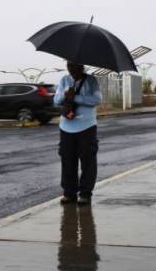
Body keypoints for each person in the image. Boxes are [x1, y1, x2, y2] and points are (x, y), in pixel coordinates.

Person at [54, 62, 102, 205]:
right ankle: (69, 193)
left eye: (75, 66)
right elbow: (56, 100)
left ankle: (85, 193)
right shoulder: (64, 80)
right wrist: (65, 94)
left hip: (87, 126)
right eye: (69, 66)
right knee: (67, 160)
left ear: (81, 67)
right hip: (66, 127)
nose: (71, 69)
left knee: (88, 161)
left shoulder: (91, 81)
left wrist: (76, 97)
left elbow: (97, 99)